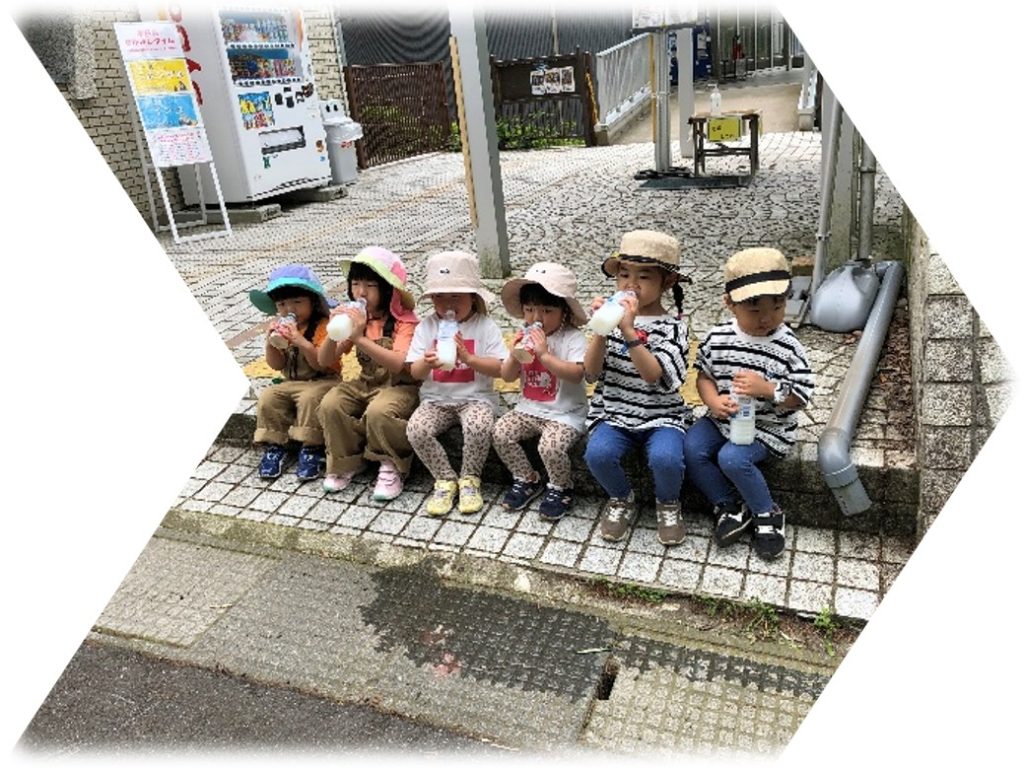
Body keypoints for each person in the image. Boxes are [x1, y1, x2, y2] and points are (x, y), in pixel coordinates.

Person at [684, 247, 815, 560]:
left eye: (777, 306)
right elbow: (704, 376)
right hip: (722, 419)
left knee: (732, 458)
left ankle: (767, 513)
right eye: (754, 309)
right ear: (729, 303)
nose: (766, 318)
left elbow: (802, 395)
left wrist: (768, 389)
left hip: (767, 428)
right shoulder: (718, 338)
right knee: (690, 447)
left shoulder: (788, 347)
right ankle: (728, 504)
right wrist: (712, 400)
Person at [583, 230, 692, 546]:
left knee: (666, 459)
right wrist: (600, 330)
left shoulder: (674, 328)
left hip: (662, 416)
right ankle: (621, 497)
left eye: (643, 276)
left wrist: (629, 332)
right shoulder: (612, 321)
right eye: (624, 275)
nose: (631, 284)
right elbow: (590, 373)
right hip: (615, 412)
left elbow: (652, 374)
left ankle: (668, 503)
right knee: (598, 454)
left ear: (667, 282)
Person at [405, 251, 506, 516]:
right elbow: (415, 372)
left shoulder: (485, 326)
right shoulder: (426, 327)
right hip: (436, 400)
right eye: (440, 296)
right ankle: (445, 479)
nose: (448, 303)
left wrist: (469, 359)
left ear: (473, 296)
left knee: (478, 426)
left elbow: (500, 368)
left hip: (475, 398)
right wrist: (427, 362)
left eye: (456, 296)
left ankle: (470, 478)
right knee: (416, 430)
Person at [317, 246, 420, 499]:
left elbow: (397, 363)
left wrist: (359, 338)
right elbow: (324, 360)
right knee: (331, 403)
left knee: (380, 410)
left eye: (370, 285)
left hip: (400, 386)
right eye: (355, 284)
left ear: (387, 289)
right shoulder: (357, 320)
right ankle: (346, 461)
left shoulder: (404, 321)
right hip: (366, 382)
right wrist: (333, 329)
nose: (361, 292)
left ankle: (392, 464)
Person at [493, 262, 589, 520]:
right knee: (500, 432)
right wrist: (514, 355)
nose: (536, 318)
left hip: (565, 413)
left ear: (564, 311)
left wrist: (545, 355)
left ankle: (561, 487)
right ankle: (527, 478)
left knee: (550, 446)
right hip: (529, 408)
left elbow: (577, 374)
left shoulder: (572, 338)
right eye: (529, 310)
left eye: (547, 310)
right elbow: (507, 376)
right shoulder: (524, 335)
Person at [249, 264, 340, 481]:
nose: (290, 309)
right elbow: (276, 365)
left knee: (310, 398)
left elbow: (321, 364)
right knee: (269, 397)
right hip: (291, 381)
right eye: (282, 304)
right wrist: (270, 343)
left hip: (322, 380)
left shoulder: (324, 326)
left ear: (313, 302)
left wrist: (301, 342)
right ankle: (275, 445)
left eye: (297, 302)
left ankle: (311, 446)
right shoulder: (282, 328)